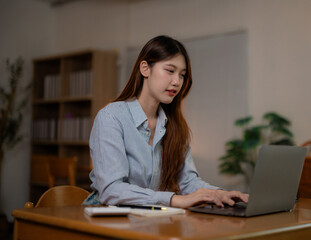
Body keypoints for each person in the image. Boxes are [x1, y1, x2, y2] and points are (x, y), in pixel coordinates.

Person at [83, 35, 249, 208]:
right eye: (170, 71)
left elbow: (187, 182)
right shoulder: (111, 117)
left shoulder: (175, 125)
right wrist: (174, 200)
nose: (177, 82)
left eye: (182, 75)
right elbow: (111, 189)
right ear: (145, 69)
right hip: (104, 219)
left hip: (147, 218)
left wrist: (220, 194)